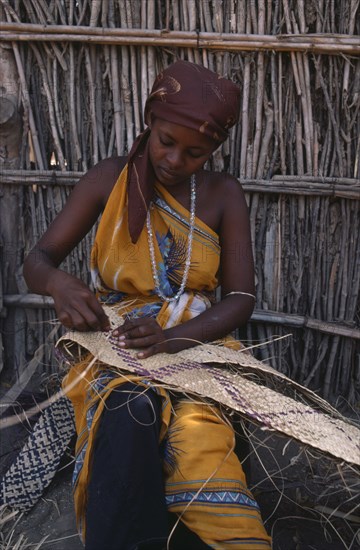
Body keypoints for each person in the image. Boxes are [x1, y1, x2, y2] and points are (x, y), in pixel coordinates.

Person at [24, 60, 271, 550]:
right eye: (166, 141)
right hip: (115, 338)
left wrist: (174, 339)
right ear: (149, 123)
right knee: (126, 407)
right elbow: (39, 259)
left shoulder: (223, 195)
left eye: (195, 152)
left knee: (197, 435)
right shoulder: (108, 179)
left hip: (196, 342)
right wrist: (58, 283)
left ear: (214, 151)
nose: (176, 159)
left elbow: (241, 298)